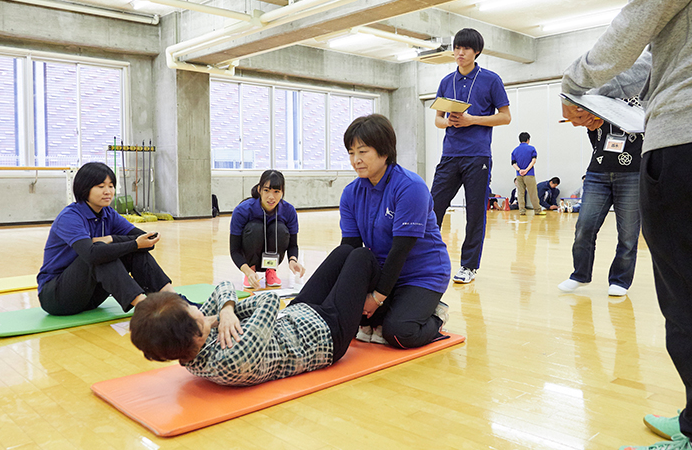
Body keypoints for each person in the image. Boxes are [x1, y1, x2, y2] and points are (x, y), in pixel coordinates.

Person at [560, 0, 692, 450]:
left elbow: (633, 25)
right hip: (661, 145)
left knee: (683, 297)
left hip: (680, 140)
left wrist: (575, 82)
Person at [131, 244, 393, 387]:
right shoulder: (230, 360)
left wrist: (226, 310)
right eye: (191, 309)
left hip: (297, 316)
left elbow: (223, 287)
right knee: (361, 257)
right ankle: (378, 313)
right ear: (195, 333)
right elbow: (268, 301)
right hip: (325, 336)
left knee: (342, 253)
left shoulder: (190, 339)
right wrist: (222, 315)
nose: (195, 306)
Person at [340, 114, 450, 348]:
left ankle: (437, 315)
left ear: (384, 151)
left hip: (422, 274)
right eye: (351, 153)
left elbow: (400, 251)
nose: (356, 160)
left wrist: (376, 298)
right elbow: (348, 248)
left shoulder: (410, 187)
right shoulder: (351, 193)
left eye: (363, 151)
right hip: (382, 271)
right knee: (347, 322)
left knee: (399, 333)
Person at [558, 56, 647, 298]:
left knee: (628, 234)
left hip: (632, 172)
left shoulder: (645, 92)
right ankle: (580, 274)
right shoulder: (597, 94)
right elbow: (588, 128)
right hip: (598, 170)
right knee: (584, 226)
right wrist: (584, 121)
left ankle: (620, 280)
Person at [430, 27, 511, 284]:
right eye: (456, 48)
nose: (460, 53)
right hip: (450, 155)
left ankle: (469, 266)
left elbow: (505, 117)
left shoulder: (491, 80)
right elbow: (437, 121)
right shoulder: (446, 81)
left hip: (477, 156)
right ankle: (425, 258)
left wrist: (471, 120)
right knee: (432, 208)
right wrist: (451, 123)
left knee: (475, 212)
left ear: (476, 51)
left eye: (465, 48)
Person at [37, 162, 173, 315]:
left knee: (128, 251)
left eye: (111, 186)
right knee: (100, 253)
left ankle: (173, 301)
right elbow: (91, 254)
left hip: (91, 297)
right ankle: (146, 308)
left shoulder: (108, 213)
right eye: (101, 187)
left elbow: (147, 241)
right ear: (84, 188)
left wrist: (111, 239)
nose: (108, 191)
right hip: (56, 297)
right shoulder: (70, 217)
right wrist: (133, 243)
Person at [229, 170, 305, 290]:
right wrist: (247, 271)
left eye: (276, 192)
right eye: (266, 190)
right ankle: (252, 270)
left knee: (280, 228)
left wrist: (293, 260)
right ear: (259, 190)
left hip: (273, 258)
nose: (271, 197)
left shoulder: (289, 211)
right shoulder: (242, 210)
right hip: (248, 262)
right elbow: (234, 250)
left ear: (282, 193)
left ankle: (271, 271)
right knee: (255, 228)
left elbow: (293, 245)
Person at [511, 132, 544, 216]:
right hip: (529, 174)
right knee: (532, 192)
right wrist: (526, 170)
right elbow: (533, 161)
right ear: (528, 140)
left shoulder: (515, 150)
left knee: (520, 193)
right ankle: (537, 210)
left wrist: (520, 170)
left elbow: (513, 163)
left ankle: (522, 210)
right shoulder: (531, 148)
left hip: (519, 175)